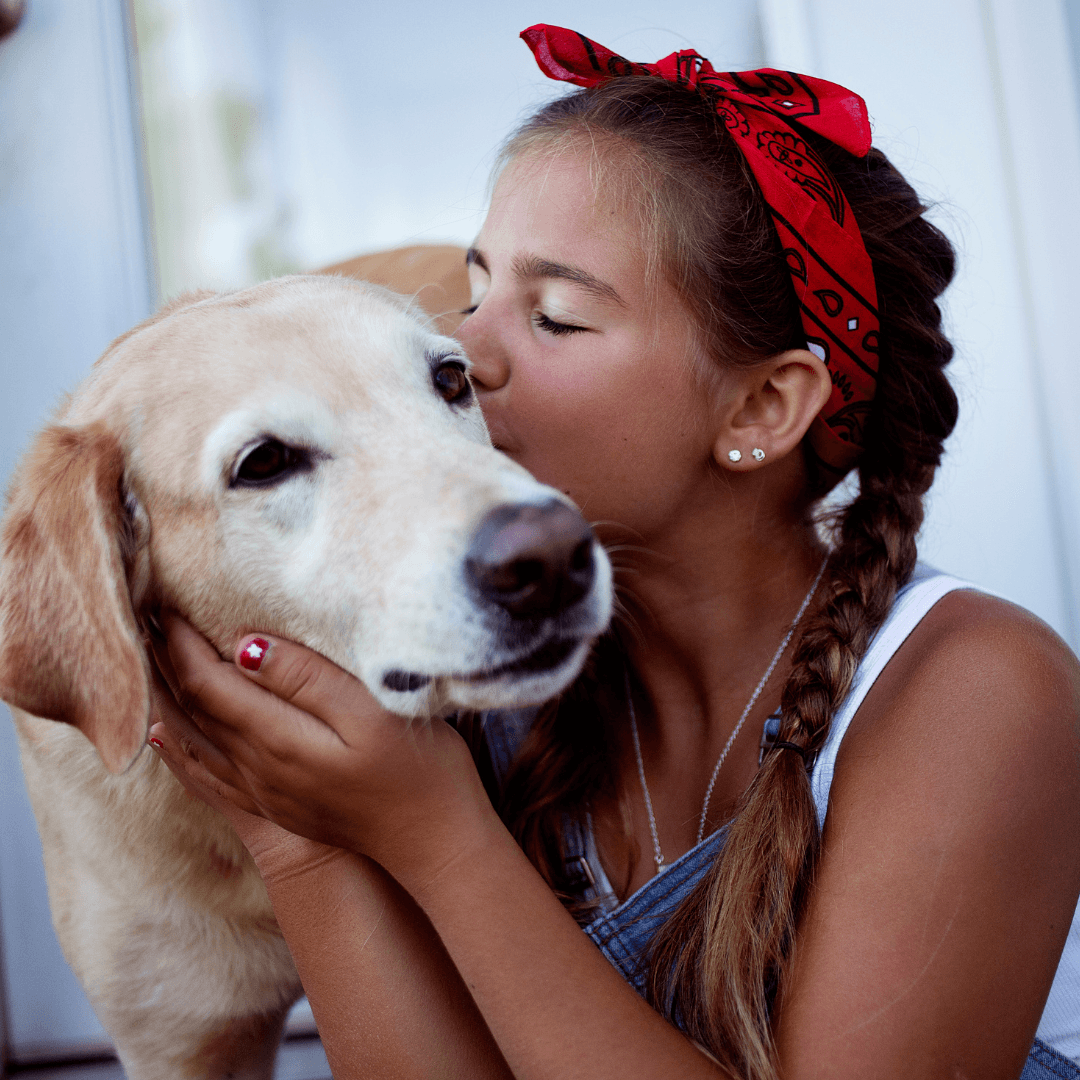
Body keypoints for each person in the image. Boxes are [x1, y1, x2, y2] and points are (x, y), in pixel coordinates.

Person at [147, 25, 1080, 1080]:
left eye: (552, 318)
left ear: (762, 407)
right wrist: (298, 835)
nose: (461, 352)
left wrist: (438, 840)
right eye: (477, 287)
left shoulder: (978, 693)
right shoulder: (492, 666)